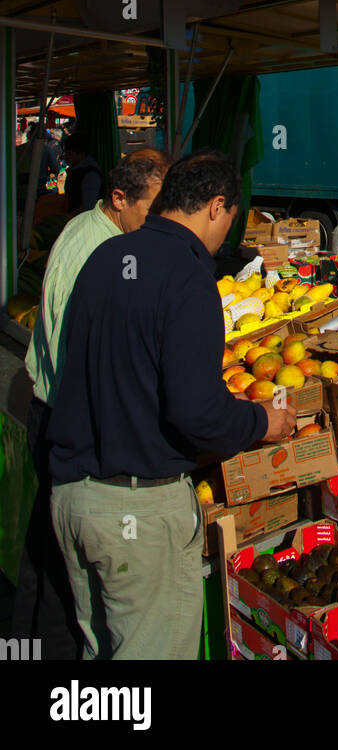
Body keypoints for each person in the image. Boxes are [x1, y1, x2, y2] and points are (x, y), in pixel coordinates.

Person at [48, 149, 296, 661]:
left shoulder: (105, 257)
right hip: (135, 511)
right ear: (216, 206)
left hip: (73, 496)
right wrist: (260, 421)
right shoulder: (187, 277)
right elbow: (196, 412)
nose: (225, 235)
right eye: (229, 221)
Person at [14, 149, 173, 660]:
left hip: (59, 411)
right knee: (63, 567)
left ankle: (27, 645)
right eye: (153, 209)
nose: (160, 223)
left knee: (47, 553)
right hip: (65, 419)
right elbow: (77, 357)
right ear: (120, 198)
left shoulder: (101, 232)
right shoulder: (93, 253)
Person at [63, 132, 104, 213]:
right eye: (66, 153)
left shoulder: (90, 175)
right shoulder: (75, 171)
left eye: (70, 154)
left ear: (81, 154)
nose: (66, 158)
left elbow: (89, 206)